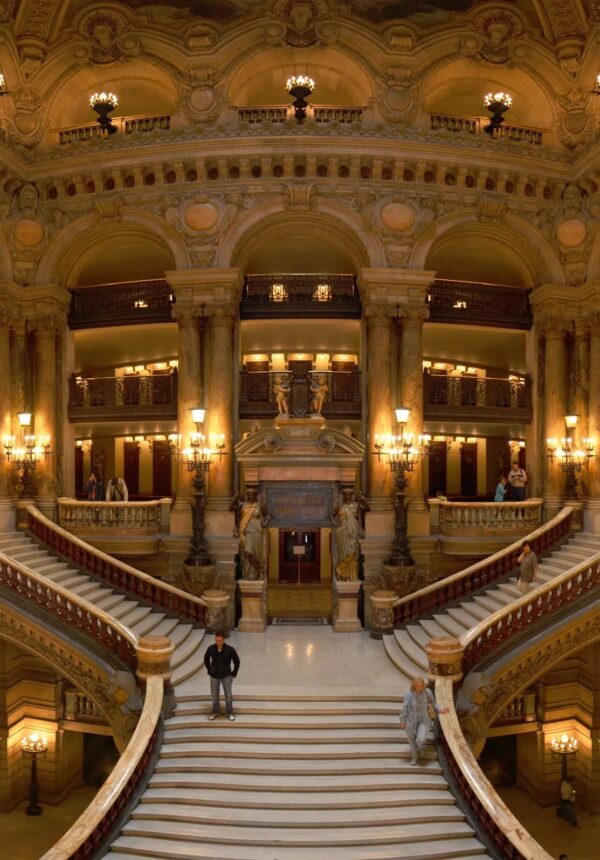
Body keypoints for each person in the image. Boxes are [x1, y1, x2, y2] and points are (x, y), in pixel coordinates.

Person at [399, 676, 448, 766]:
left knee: (420, 739)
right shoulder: (408, 694)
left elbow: (433, 704)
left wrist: (441, 710)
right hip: (411, 722)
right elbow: (404, 708)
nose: (419, 688)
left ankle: (420, 749)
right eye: (417, 686)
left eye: (421, 686)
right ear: (414, 686)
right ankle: (414, 756)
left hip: (423, 721)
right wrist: (402, 721)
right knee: (411, 741)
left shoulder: (427, 692)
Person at [230, 487, 269, 580]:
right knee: (248, 553)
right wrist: (234, 499)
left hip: (257, 532)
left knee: (255, 553)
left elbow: (269, 515)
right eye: (249, 494)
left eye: (252, 494)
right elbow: (231, 508)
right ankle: (260, 570)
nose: (250, 496)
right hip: (246, 531)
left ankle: (254, 574)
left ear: (255, 495)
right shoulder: (242, 505)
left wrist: (265, 524)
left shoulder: (259, 506)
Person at [333, 488, 369, 581]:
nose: (347, 496)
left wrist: (363, 501)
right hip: (342, 534)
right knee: (343, 554)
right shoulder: (340, 508)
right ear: (343, 496)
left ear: (352, 495)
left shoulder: (357, 506)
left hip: (353, 534)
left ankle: (345, 573)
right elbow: (331, 518)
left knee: (352, 552)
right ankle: (343, 574)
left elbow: (367, 509)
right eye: (345, 495)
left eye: (349, 495)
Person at [204, 631, 240, 721]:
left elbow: (237, 661)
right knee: (214, 695)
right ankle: (216, 711)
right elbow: (206, 658)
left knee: (228, 695)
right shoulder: (211, 648)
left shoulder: (230, 649)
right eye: (216, 640)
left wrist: (234, 673)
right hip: (214, 675)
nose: (218, 642)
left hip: (226, 675)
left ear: (223, 640)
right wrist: (209, 669)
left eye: (219, 640)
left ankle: (229, 713)